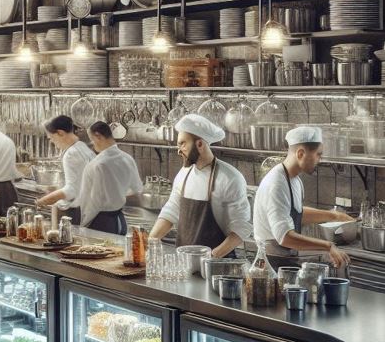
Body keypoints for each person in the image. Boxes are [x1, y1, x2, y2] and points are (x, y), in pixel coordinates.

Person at [149, 113, 252, 257]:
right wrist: (150, 241)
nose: (178, 150)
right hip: (184, 263)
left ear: (200, 144)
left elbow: (241, 229)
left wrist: (211, 258)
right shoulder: (183, 174)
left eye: (182, 144)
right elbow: (170, 211)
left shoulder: (230, 178)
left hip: (216, 266)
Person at [253, 125, 353, 270]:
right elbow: (285, 237)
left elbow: (295, 213)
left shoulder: (295, 180)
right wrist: (328, 246)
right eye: (318, 154)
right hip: (270, 266)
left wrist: (334, 216)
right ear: (300, 153)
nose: (320, 160)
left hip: (286, 261)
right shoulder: (277, 183)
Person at [78, 121, 143, 233]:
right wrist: (118, 193)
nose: (92, 144)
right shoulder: (127, 158)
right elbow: (137, 188)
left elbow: (94, 202)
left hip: (100, 223)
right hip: (121, 222)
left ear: (98, 136)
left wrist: (83, 225)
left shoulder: (97, 165)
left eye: (92, 139)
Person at [36, 115, 94, 225]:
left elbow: (71, 190)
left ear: (60, 133)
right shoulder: (81, 146)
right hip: (88, 208)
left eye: (51, 138)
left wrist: (44, 200)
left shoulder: (71, 154)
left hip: (76, 212)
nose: (52, 142)